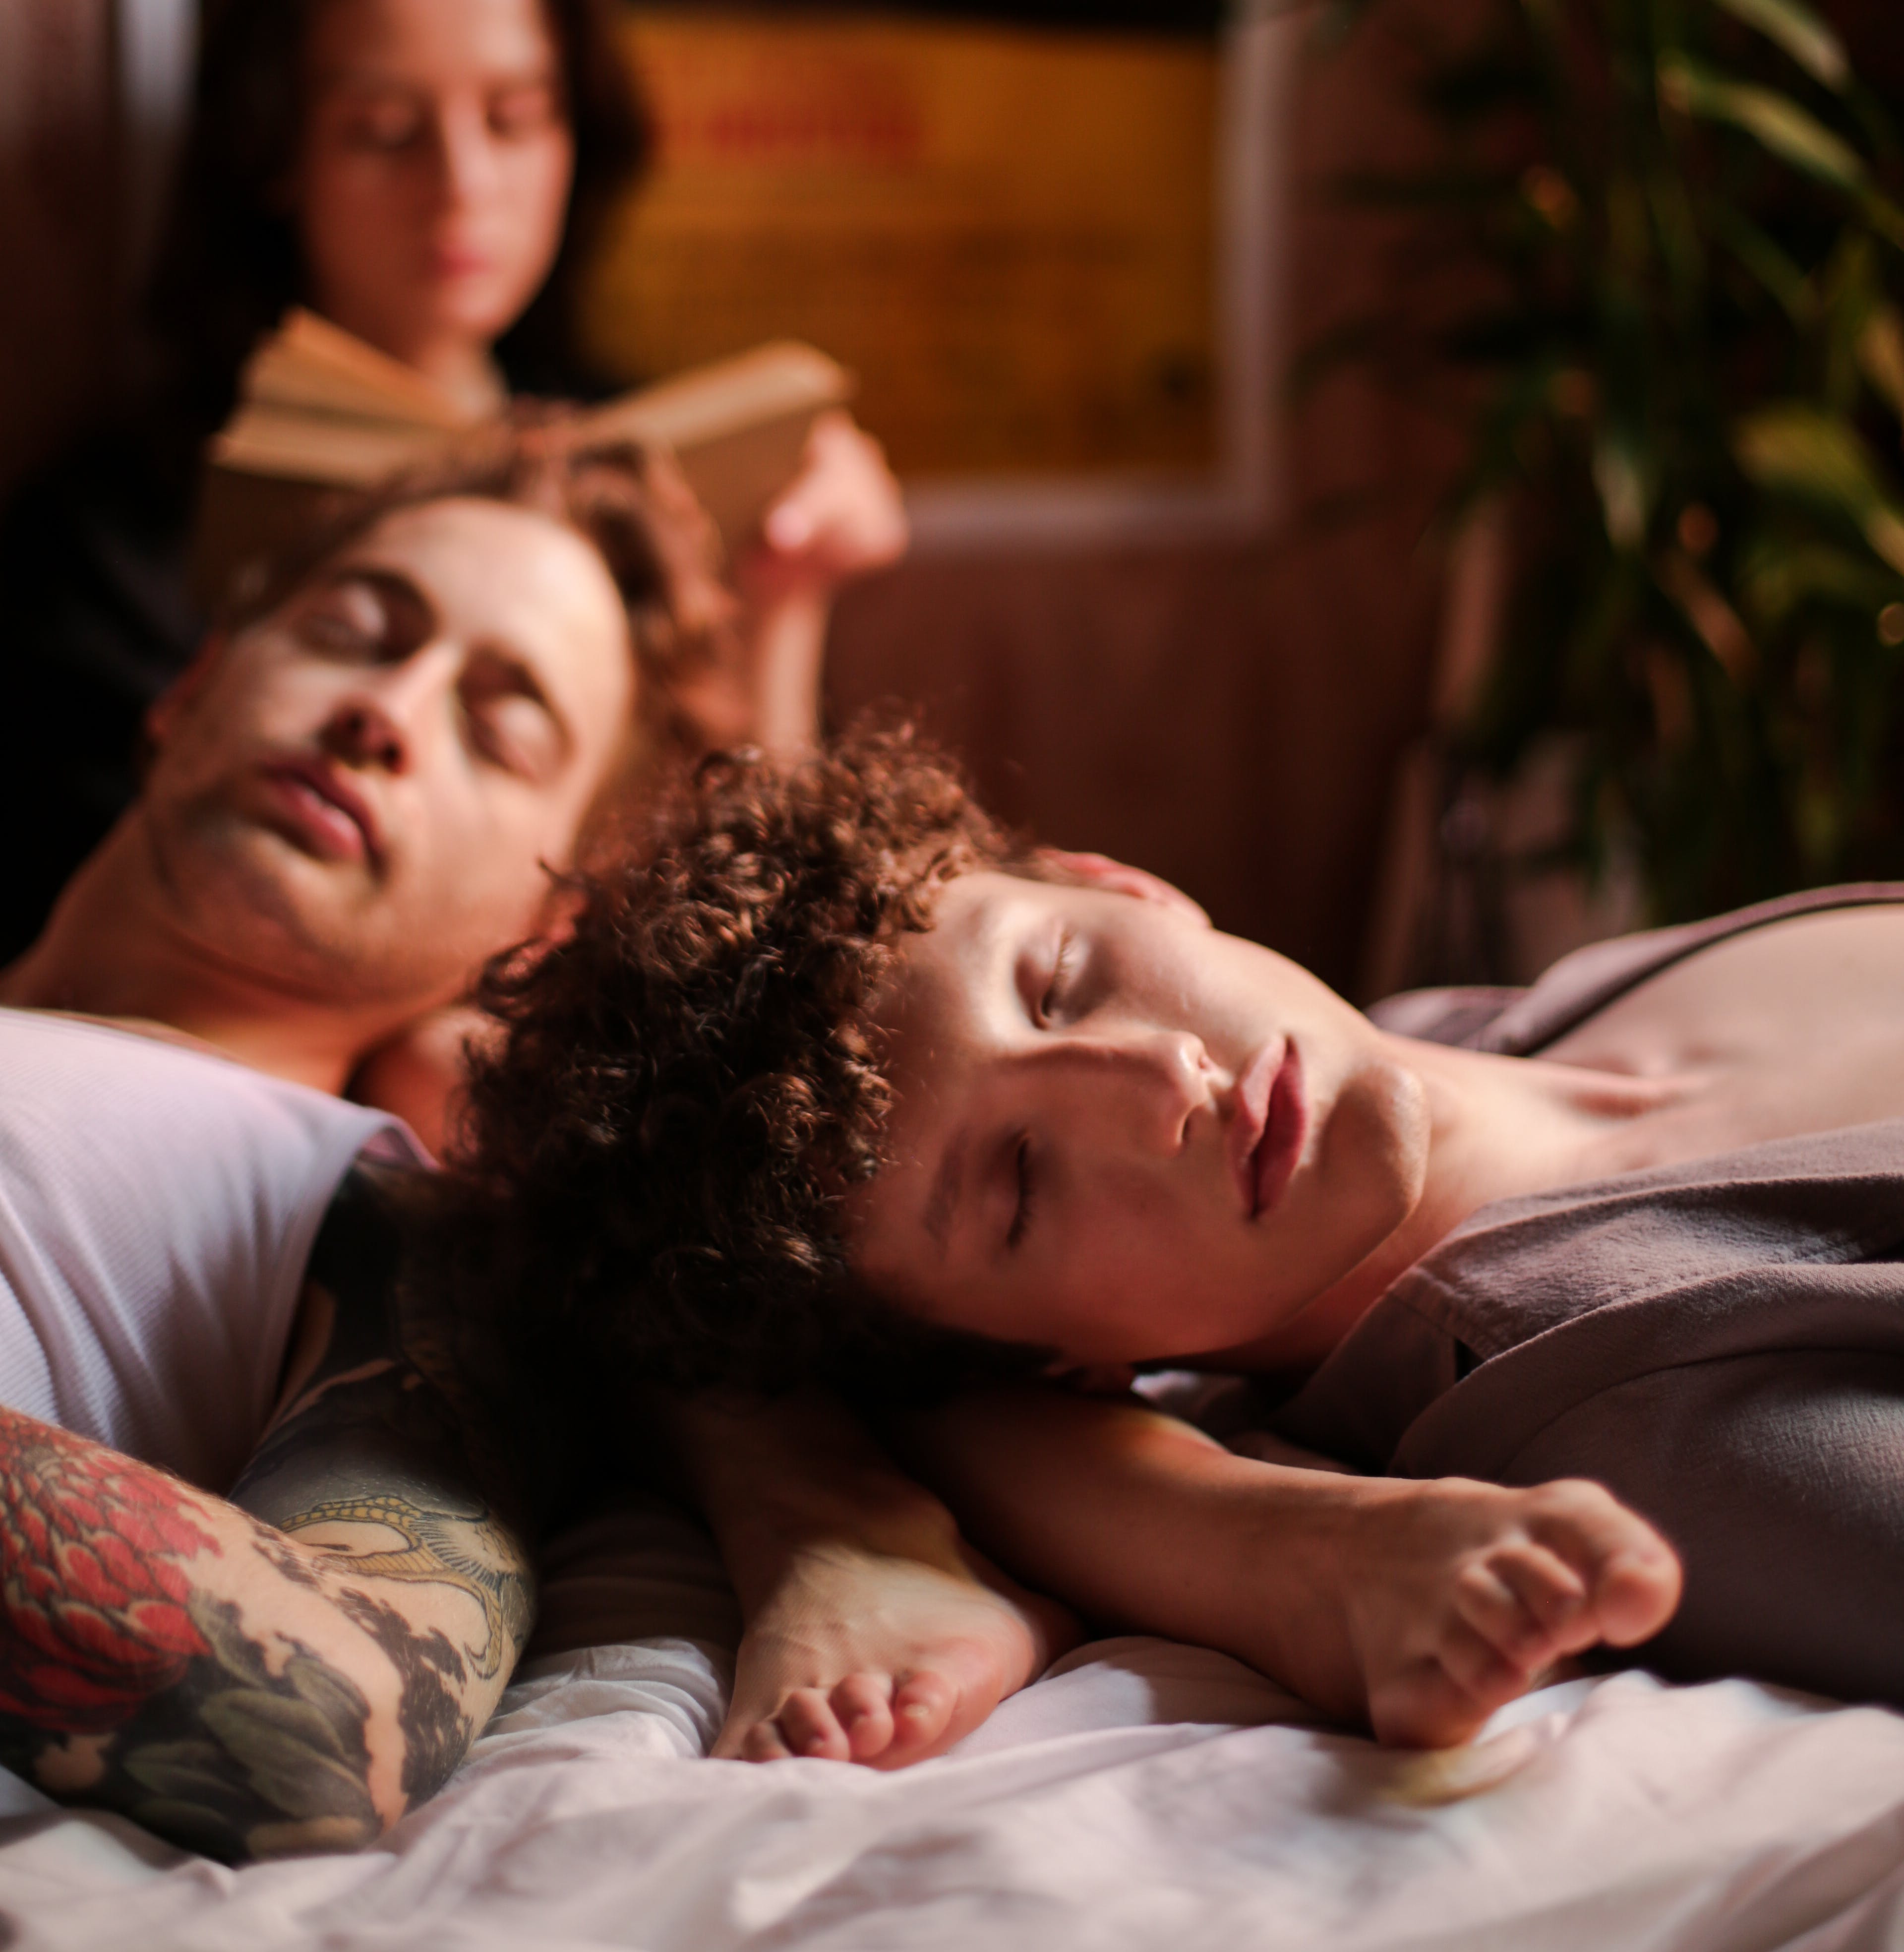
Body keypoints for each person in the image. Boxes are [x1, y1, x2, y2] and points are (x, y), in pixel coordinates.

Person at [0, 446, 1069, 1853]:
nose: (385, 712)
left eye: (499, 731)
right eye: (356, 632)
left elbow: (333, 1710)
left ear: (537, 930)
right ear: (192, 687)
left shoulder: (380, 1209)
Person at [455, 720, 1904, 1720]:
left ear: (1117, 882)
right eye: (1020, 1183)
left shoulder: (1523, 1008)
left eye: (1060, 979)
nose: (1157, 1083)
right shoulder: (1635, 1422)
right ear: (1059, 1367)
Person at [0, 0, 905, 960]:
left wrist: (786, 600)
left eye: (517, 119)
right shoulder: (110, 545)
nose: (463, 187)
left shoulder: (654, 465)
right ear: (276, 147)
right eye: (385, 131)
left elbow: (783, 958)